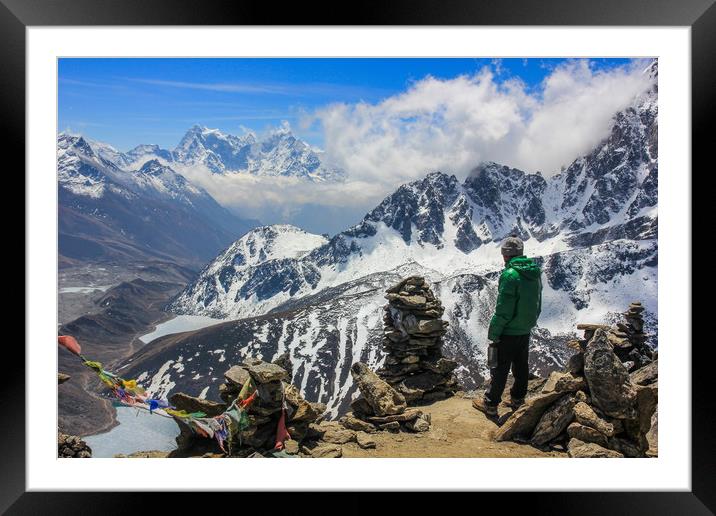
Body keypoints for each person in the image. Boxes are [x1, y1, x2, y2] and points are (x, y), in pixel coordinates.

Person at [472, 235, 542, 417]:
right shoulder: (535, 273)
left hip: (509, 330)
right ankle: (518, 399)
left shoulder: (510, 275)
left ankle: (491, 403)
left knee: (500, 368)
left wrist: (494, 332)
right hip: (525, 328)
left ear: (505, 255)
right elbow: (538, 302)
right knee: (521, 366)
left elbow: (504, 309)